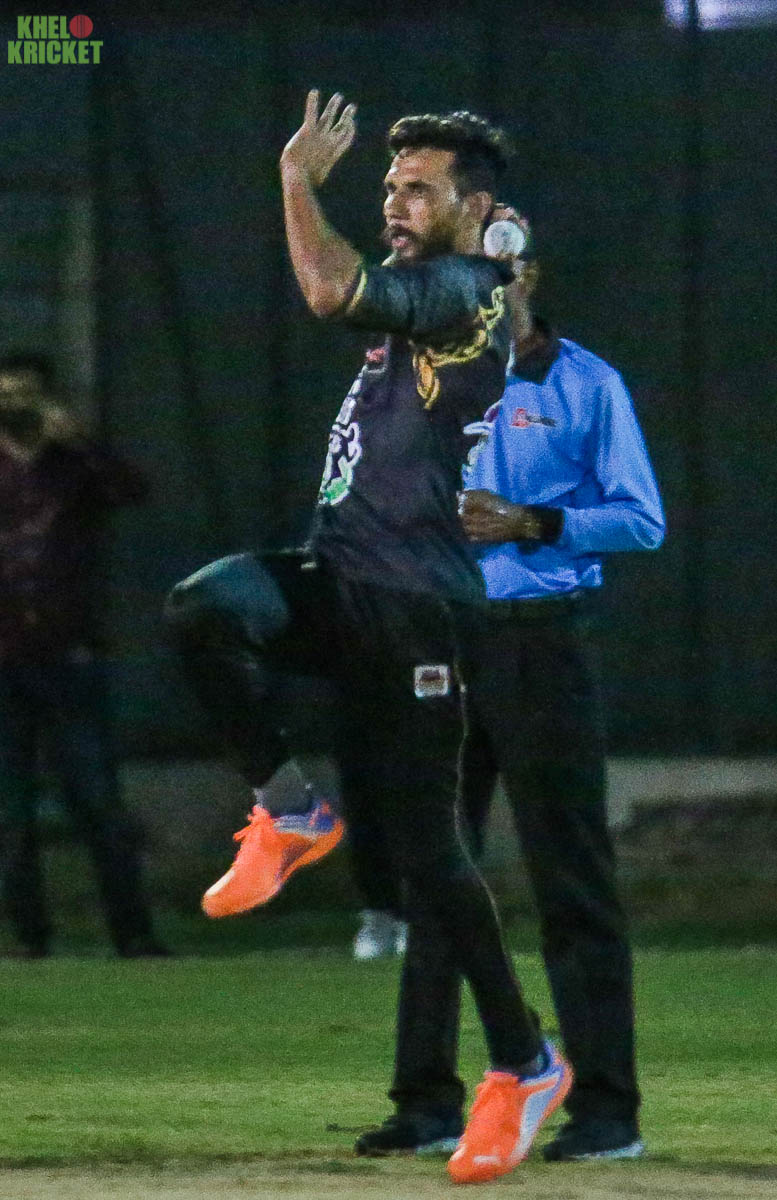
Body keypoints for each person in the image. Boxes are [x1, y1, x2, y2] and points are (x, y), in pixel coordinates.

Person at [165, 93, 573, 1185]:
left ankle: (525, 1063)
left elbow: (328, 288)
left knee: (430, 857)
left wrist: (297, 180)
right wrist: (504, 242)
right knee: (205, 607)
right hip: (342, 580)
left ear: (471, 208)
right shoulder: (465, 275)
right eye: (388, 185)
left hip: (418, 606)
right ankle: (290, 808)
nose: (393, 202)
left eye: (416, 189)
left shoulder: (462, 289)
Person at [350, 218, 665, 1162]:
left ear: (528, 273)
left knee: (568, 874)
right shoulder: (420, 377)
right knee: (434, 876)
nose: (485, 285)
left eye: (501, 266)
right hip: (437, 639)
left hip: (536, 641)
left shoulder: (584, 383)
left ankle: (605, 1110)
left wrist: (531, 521)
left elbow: (641, 519)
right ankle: (426, 1101)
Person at [0, 352, 169, 958]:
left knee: (98, 801)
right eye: (5, 395)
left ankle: (133, 933)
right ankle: (30, 940)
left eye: (26, 395)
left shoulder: (72, 465)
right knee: (10, 813)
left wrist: (81, 442)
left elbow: (131, 490)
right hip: (4, 660)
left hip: (70, 656)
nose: (15, 407)